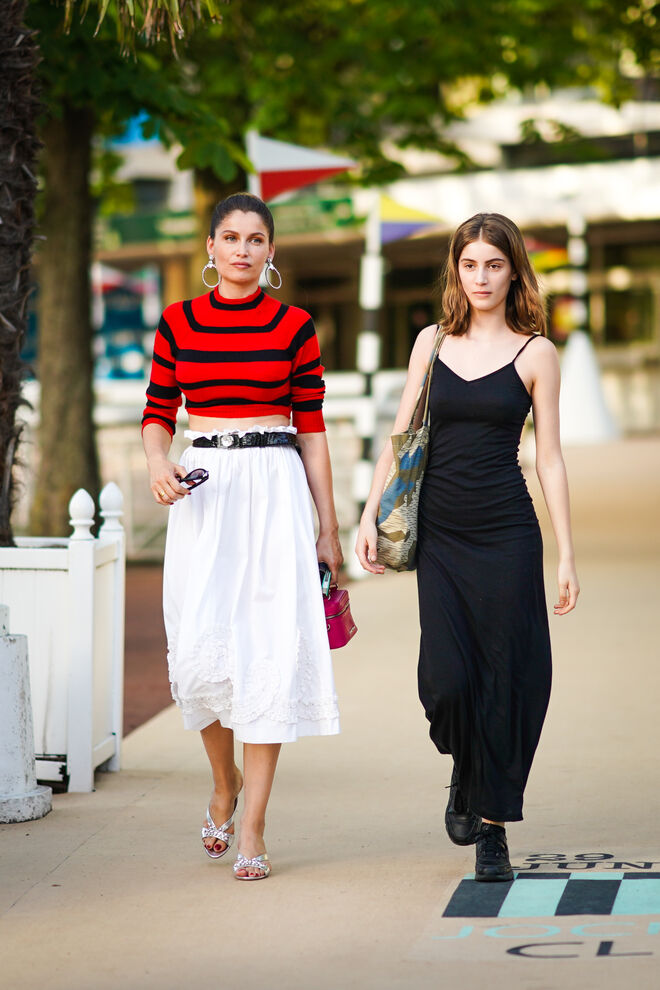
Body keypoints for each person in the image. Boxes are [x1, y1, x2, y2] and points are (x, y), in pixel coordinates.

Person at [356, 212, 579, 882]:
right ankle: (465, 767)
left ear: (514, 273)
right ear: (456, 270)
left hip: (508, 534)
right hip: (443, 537)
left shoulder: (536, 354)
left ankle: (492, 828)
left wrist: (567, 554)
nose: (481, 277)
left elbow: (550, 458)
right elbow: (400, 441)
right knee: (447, 681)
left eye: (494, 265)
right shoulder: (431, 343)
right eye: (470, 264)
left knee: (509, 676)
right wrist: (367, 517)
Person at [142, 193, 343, 881]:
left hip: (275, 490)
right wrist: (157, 461)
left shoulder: (295, 325)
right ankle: (222, 783)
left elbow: (312, 431)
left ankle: (252, 825)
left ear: (271, 252)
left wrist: (328, 528)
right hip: (204, 491)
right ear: (210, 247)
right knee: (200, 653)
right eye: (230, 237)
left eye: (256, 239)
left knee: (266, 654)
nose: (242, 250)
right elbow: (158, 411)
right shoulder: (178, 322)